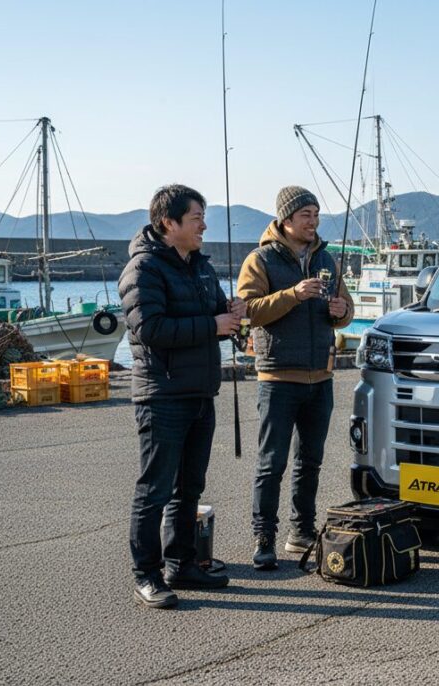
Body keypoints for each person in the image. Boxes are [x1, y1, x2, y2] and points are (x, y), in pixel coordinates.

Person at [119, 184, 245, 608]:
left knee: (189, 487)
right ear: (168, 223)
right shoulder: (143, 269)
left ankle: (182, 564)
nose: (204, 226)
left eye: (203, 217)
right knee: (154, 490)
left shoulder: (200, 266)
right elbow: (150, 329)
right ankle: (146, 575)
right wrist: (213, 325)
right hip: (162, 395)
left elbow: (215, 320)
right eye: (196, 218)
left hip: (200, 392)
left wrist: (231, 316)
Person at [237, 186, 354, 570]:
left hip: (320, 376)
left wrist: (340, 311)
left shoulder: (326, 258)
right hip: (277, 377)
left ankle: (301, 531)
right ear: (286, 219)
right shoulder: (260, 260)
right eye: (306, 214)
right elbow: (248, 311)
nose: (313, 221)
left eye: (316, 214)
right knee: (271, 463)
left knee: (310, 460)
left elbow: (347, 311)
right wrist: (294, 294)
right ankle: (263, 538)